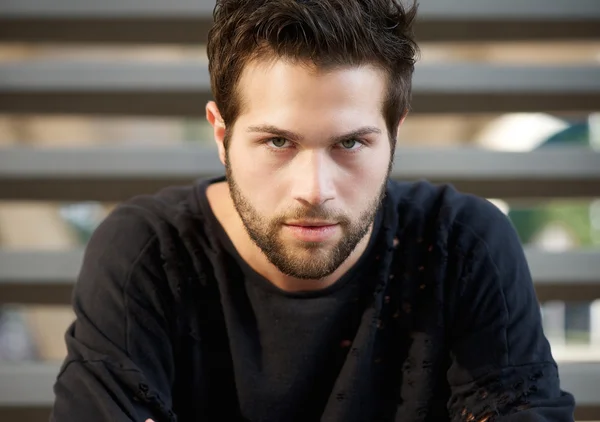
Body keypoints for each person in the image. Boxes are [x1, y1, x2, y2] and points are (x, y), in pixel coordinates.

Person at [50, 0, 576, 421]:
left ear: (394, 136)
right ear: (221, 134)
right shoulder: (146, 255)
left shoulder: (462, 244)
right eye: (278, 141)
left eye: (350, 144)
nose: (314, 190)